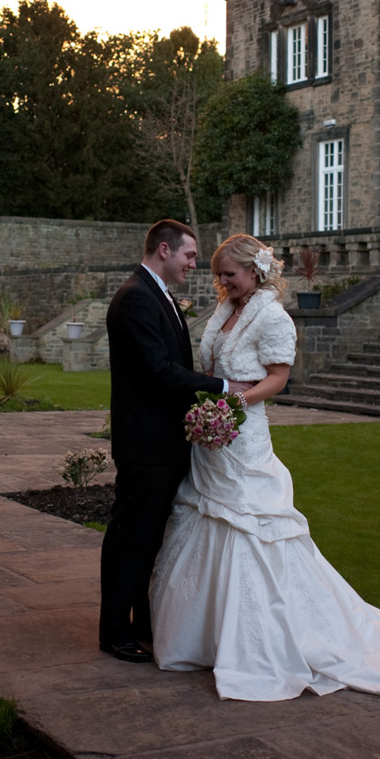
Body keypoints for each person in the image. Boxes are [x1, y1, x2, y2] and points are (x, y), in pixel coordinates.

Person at [150, 233, 380, 702]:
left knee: (254, 530)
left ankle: (264, 640)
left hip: (244, 438)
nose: (222, 282)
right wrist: (215, 407)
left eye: (228, 275)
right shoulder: (223, 313)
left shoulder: (272, 316)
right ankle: (206, 635)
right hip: (214, 444)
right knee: (204, 521)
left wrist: (231, 403)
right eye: (218, 275)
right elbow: (217, 370)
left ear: (253, 271)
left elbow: (278, 379)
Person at [99, 219, 250, 664]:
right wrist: (224, 388)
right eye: (189, 255)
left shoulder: (156, 295)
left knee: (150, 539)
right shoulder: (135, 299)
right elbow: (159, 371)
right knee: (131, 537)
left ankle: (141, 622)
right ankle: (114, 632)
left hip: (164, 442)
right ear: (164, 250)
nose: (193, 264)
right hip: (146, 444)